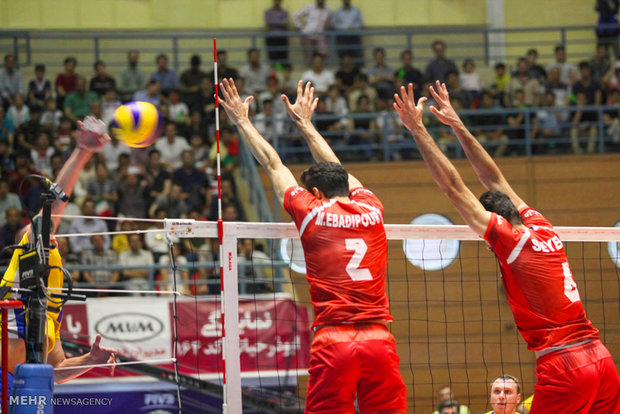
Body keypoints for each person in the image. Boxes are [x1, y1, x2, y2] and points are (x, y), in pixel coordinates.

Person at [393, 80, 620, 413]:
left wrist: (417, 129)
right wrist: (457, 124)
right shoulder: (542, 226)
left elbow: (453, 188)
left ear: (494, 221)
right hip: (602, 359)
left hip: (565, 366)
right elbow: (496, 181)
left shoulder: (509, 241)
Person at [219, 77, 407, 413]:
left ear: (316, 194)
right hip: (379, 338)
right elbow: (341, 173)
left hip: (334, 341)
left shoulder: (310, 212)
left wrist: (242, 120)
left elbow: (274, 163)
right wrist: (306, 124)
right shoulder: (372, 206)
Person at [1, 116, 116, 390]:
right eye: (47, 239)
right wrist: (82, 152)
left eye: (56, 244)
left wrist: (90, 359)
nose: (53, 242)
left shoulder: (51, 310)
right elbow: (51, 212)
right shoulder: (21, 274)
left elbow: (55, 371)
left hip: (19, 396)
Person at [264, 0, 290, 65]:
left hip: (282, 38)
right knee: (273, 57)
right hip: (271, 38)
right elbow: (268, 22)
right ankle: (276, 71)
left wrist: (273, 23)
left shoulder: (285, 12)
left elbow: (286, 23)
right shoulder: (268, 12)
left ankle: (280, 70)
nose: (277, 1)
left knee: (283, 57)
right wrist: (281, 22)